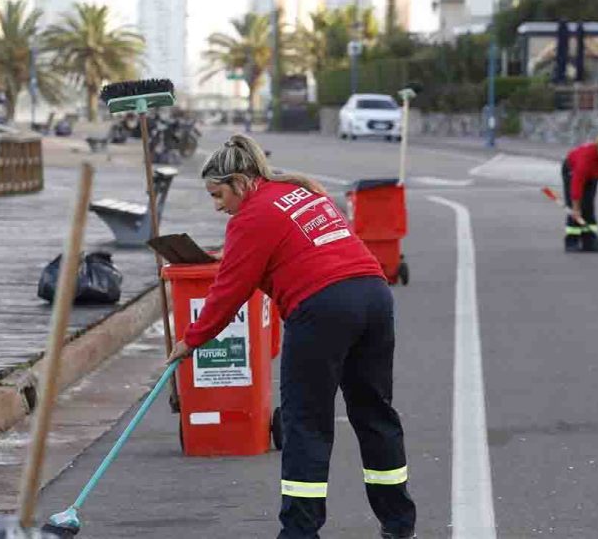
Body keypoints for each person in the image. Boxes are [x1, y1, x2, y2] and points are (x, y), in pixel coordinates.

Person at [166, 134, 417, 539]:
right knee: (375, 415)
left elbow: (228, 291)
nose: (217, 205)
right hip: (374, 296)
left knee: (307, 424)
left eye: (218, 194)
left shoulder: (249, 218)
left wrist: (192, 340)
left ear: (240, 182)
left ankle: (300, 532)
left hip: (322, 309)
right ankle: (399, 524)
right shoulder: (298, 192)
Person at [562, 131, 598, 252]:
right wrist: (575, 208)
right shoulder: (586, 159)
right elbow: (576, 186)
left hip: (593, 176)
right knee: (576, 210)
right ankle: (571, 241)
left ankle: (589, 241)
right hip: (572, 171)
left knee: (588, 206)